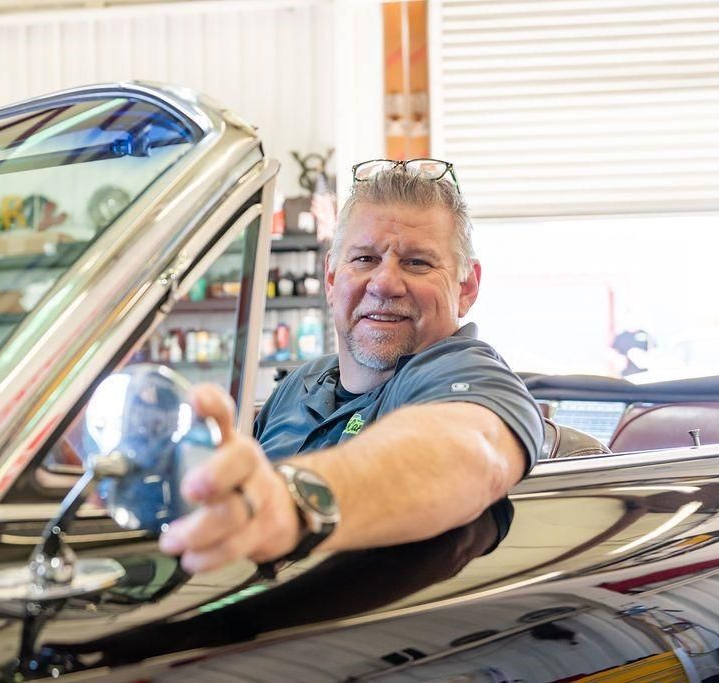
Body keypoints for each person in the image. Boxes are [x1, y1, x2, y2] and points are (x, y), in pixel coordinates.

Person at [158, 160, 544, 574]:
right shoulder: (299, 385)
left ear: (466, 288)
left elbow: (471, 450)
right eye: (364, 259)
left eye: (417, 262)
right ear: (330, 279)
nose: (384, 283)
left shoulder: (468, 373)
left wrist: (294, 501)